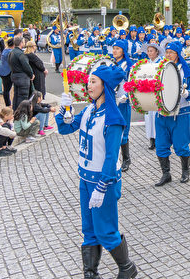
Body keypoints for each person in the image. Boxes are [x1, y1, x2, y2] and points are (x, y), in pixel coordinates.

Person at [57, 65, 138, 278]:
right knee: (89, 230)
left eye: (94, 81)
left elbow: (111, 157)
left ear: (105, 85)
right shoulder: (90, 109)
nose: (88, 85)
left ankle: (127, 268)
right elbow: (65, 128)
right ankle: (90, 273)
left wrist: (102, 187)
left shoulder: (113, 119)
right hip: (85, 177)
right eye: (89, 81)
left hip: (104, 182)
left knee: (106, 230)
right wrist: (64, 110)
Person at [154, 42, 190, 186]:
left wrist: (186, 93)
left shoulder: (185, 71)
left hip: (181, 113)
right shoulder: (160, 69)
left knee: (181, 146)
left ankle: (185, 171)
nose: (168, 55)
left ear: (178, 54)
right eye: (166, 52)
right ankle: (166, 174)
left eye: (171, 52)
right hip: (162, 114)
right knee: (161, 145)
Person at [112, 40, 133, 172]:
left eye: (118, 49)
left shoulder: (128, 65)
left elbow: (131, 83)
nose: (114, 51)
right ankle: (114, 158)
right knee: (112, 130)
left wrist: (126, 96)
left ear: (123, 51)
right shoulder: (110, 63)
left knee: (123, 130)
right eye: (114, 48)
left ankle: (126, 159)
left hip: (123, 101)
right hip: (112, 101)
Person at [144, 43, 164, 150]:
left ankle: (158, 139)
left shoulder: (161, 63)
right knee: (148, 116)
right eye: (148, 51)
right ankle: (151, 139)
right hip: (147, 92)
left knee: (157, 115)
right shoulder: (145, 63)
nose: (149, 53)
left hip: (157, 92)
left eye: (151, 51)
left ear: (157, 52)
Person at [9, 37, 34, 110]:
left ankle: (15, 111)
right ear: (21, 43)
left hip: (14, 75)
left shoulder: (12, 52)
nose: (24, 43)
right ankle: (21, 113)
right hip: (22, 77)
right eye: (23, 42)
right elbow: (26, 65)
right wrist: (31, 74)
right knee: (23, 96)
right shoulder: (20, 53)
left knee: (16, 96)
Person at [0, 38, 14, 107]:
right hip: (7, 72)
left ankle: (8, 104)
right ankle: (8, 104)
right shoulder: (10, 52)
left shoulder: (5, 50)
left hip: (3, 72)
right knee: (7, 90)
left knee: (6, 89)